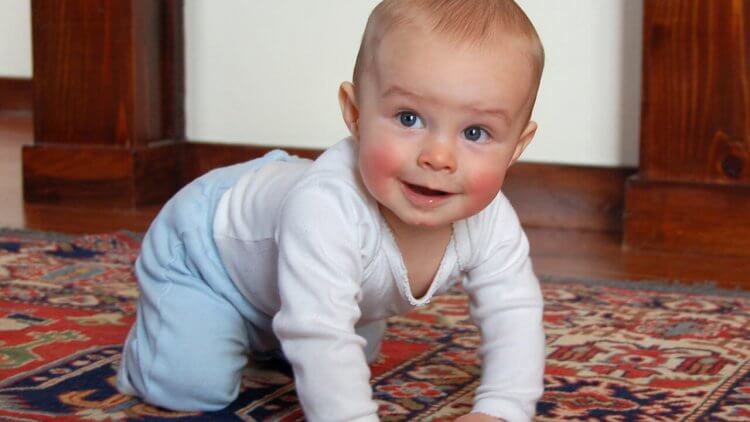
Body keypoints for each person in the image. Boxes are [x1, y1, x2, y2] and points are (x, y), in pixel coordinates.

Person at [116, 1, 546, 421]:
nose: (438, 156)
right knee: (192, 385)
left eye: (476, 132)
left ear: (516, 147)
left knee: (353, 348)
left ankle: (267, 331)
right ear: (356, 115)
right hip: (205, 251)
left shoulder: (491, 222)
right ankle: (160, 350)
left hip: (294, 262)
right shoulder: (326, 209)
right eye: (409, 118)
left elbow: (515, 316)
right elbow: (320, 332)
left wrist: (501, 410)